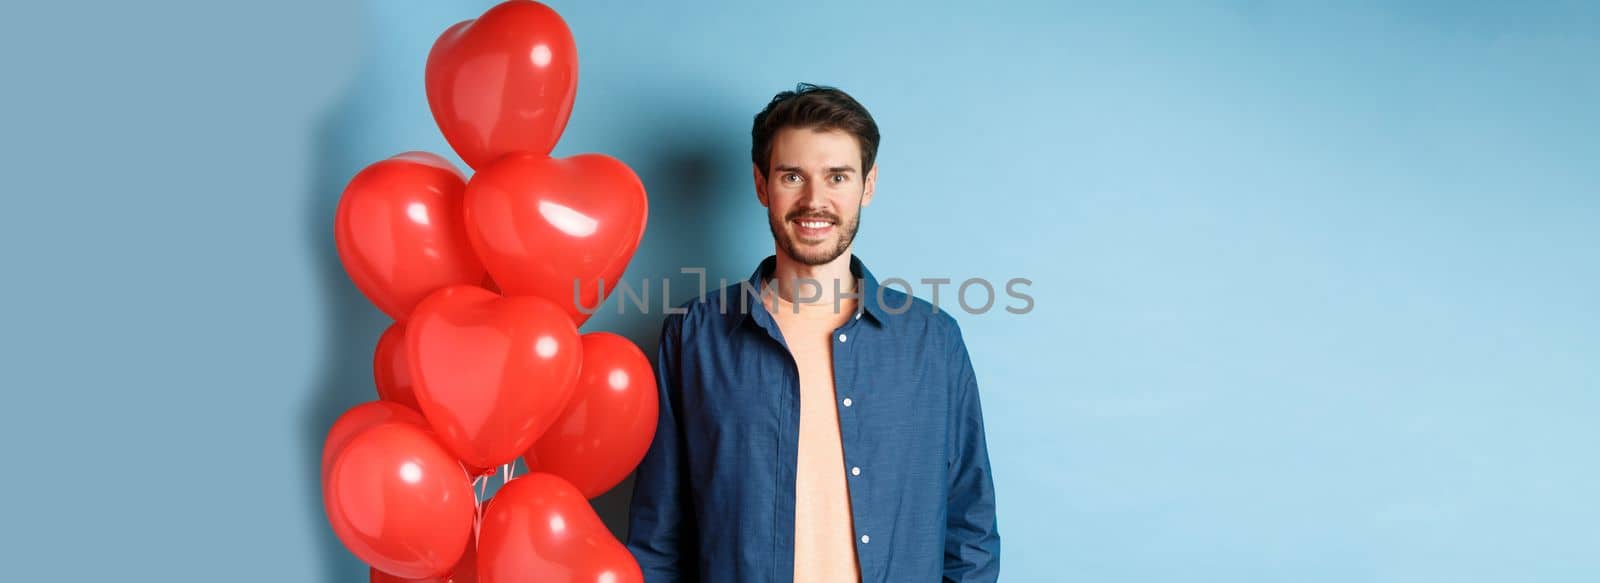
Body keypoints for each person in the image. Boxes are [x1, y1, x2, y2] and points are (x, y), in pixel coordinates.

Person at [626, 83, 1000, 582]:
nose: (814, 200)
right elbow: (656, 543)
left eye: (837, 177)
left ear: (868, 185)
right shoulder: (694, 338)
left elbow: (970, 534)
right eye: (792, 176)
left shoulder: (933, 343)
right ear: (761, 185)